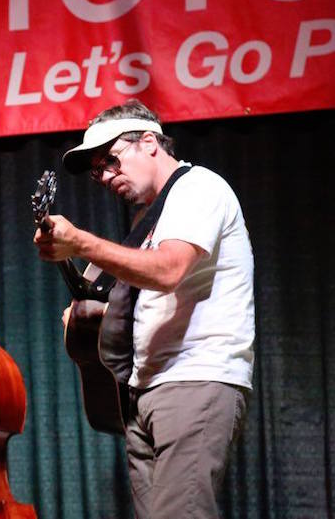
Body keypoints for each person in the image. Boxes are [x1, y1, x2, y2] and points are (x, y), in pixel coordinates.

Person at [34, 99, 254, 518]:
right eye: (98, 171)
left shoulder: (198, 188)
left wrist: (81, 242)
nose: (105, 176)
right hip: (146, 392)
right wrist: (92, 317)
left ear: (149, 142)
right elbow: (150, 297)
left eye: (111, 161)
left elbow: (170, 270)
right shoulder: (148, 223)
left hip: (195, 381)